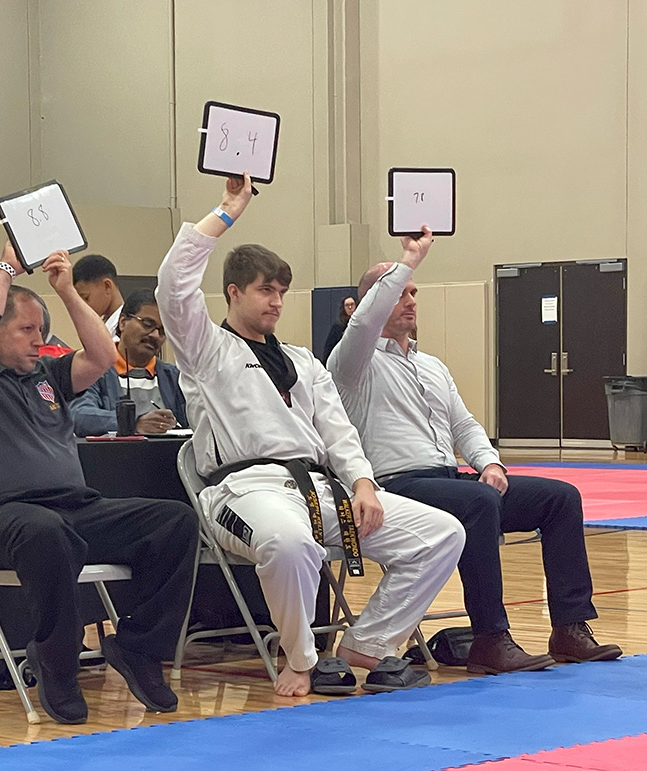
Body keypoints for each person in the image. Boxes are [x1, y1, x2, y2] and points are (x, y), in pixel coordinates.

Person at [156, 173, 464, 697]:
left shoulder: (303, 362)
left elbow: (340, 433)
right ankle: (300, 658)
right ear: (233, 292)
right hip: (243, 493)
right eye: (264, 290)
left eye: (281, 291)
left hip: (321, 491)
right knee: (289, 541)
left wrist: (363, 482)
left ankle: (369, 641)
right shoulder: (207, 351)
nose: (276, 301)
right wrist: (226, 211)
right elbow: (173, 284)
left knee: (441, 534)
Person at [327, 227, 622, 674]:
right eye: (399, 292)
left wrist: (490, 463)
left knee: (561, 498)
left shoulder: (431, 366)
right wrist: (408, 259)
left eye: (413, 291)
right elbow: (363, 324)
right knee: (479, 502)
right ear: (374, 302)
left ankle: (570, 628)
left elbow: (464, 424)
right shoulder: (353, 364)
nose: (410, 299)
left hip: (451, 484)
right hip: (397, 488)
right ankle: (490, 637)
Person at [0, 244, 198, 723]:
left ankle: (139, 647)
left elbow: (102, 353)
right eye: (27, 330)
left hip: (74, 509)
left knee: (175, 521)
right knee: (45, 533)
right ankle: (56, 662)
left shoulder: (48, 375)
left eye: (42, 330)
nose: (39, 341)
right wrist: (8, 267)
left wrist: (66, 291)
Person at [70, 289, 187, 437]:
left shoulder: (175, 377)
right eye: (147, 324)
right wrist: (134, 423)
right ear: (123, 322)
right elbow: (79, 416)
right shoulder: (95, 372)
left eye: (162, 331)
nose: (155, 335)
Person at [72, 253, 125, 339]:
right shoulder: (101, 325)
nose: (82, 306)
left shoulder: (126, 329)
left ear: (107, 286)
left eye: (86, 298)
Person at [321, 295, 356, 364]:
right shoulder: (338, 327)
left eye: (352, 304)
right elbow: (329, 349)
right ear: (343, 308)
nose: (350, 307)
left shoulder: (361, 325)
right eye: (347, 305)